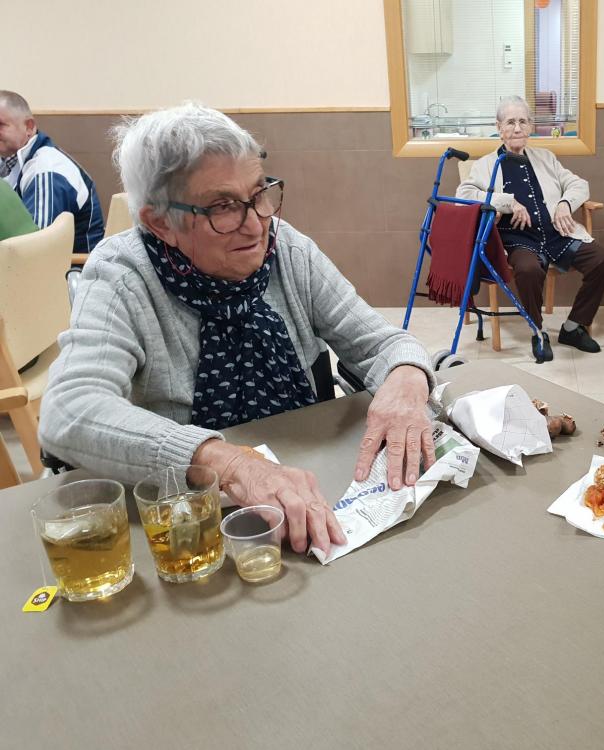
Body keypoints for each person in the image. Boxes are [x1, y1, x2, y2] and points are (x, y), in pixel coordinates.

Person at [39, 103, 436, 556]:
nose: (256, 224)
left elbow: (383, 343)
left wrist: (406, 380)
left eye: (259, 193)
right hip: (191, 526)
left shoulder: (287, 250)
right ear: (160, 222)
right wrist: (227, 463)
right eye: (222, 207)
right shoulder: (122, 276)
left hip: (311, 485)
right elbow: (69, 410)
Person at [457, 95, 604, 360]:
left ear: (530, 126)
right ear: (499, 127)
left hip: (557, 233)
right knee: (528, 269)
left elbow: (579, 184)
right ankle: (537, 330)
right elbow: (464, 194)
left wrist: (565, 204)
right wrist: (507, 202)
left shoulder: (545, 158)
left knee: (603, 259)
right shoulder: (485, 165)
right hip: (518, 240)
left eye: (523, 121)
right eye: (510, 122)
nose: (517, 128)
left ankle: (574, 327)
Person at [0, 91, 104, 251]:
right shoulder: (9, 162)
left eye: (0, 125)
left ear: (29, 127)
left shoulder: (46, 170)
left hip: (75, 265)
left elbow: (36, 248)